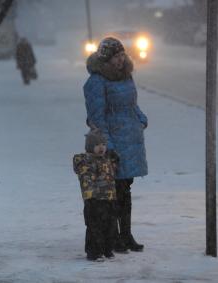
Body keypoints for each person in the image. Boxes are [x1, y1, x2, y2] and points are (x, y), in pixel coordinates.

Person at [83, 37, 148, 253]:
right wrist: (107, 145)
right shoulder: (96, 82)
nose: (121, 60)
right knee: (113, 193)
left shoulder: (126, 75)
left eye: (122, 56)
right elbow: (96, 118)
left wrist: (140, 118)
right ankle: (114, 237)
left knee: (125, 190)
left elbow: (132, 103)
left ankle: (126, 234)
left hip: (131, 138)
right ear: (106, 59)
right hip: (113, 141)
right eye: (116, 57)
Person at [73, 129, 119, 261]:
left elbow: (111, 173)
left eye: (103, 144)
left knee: (110, 226)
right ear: (90, 147)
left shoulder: (106, 160)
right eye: (97, 145)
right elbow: (87, 180)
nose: (101, 147)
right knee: (95, 227)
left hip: (109, 199)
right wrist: (91, 198)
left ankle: (107, 249)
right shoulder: (87, 162)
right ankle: (94, 252)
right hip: (94, 200)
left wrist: (115, 160)